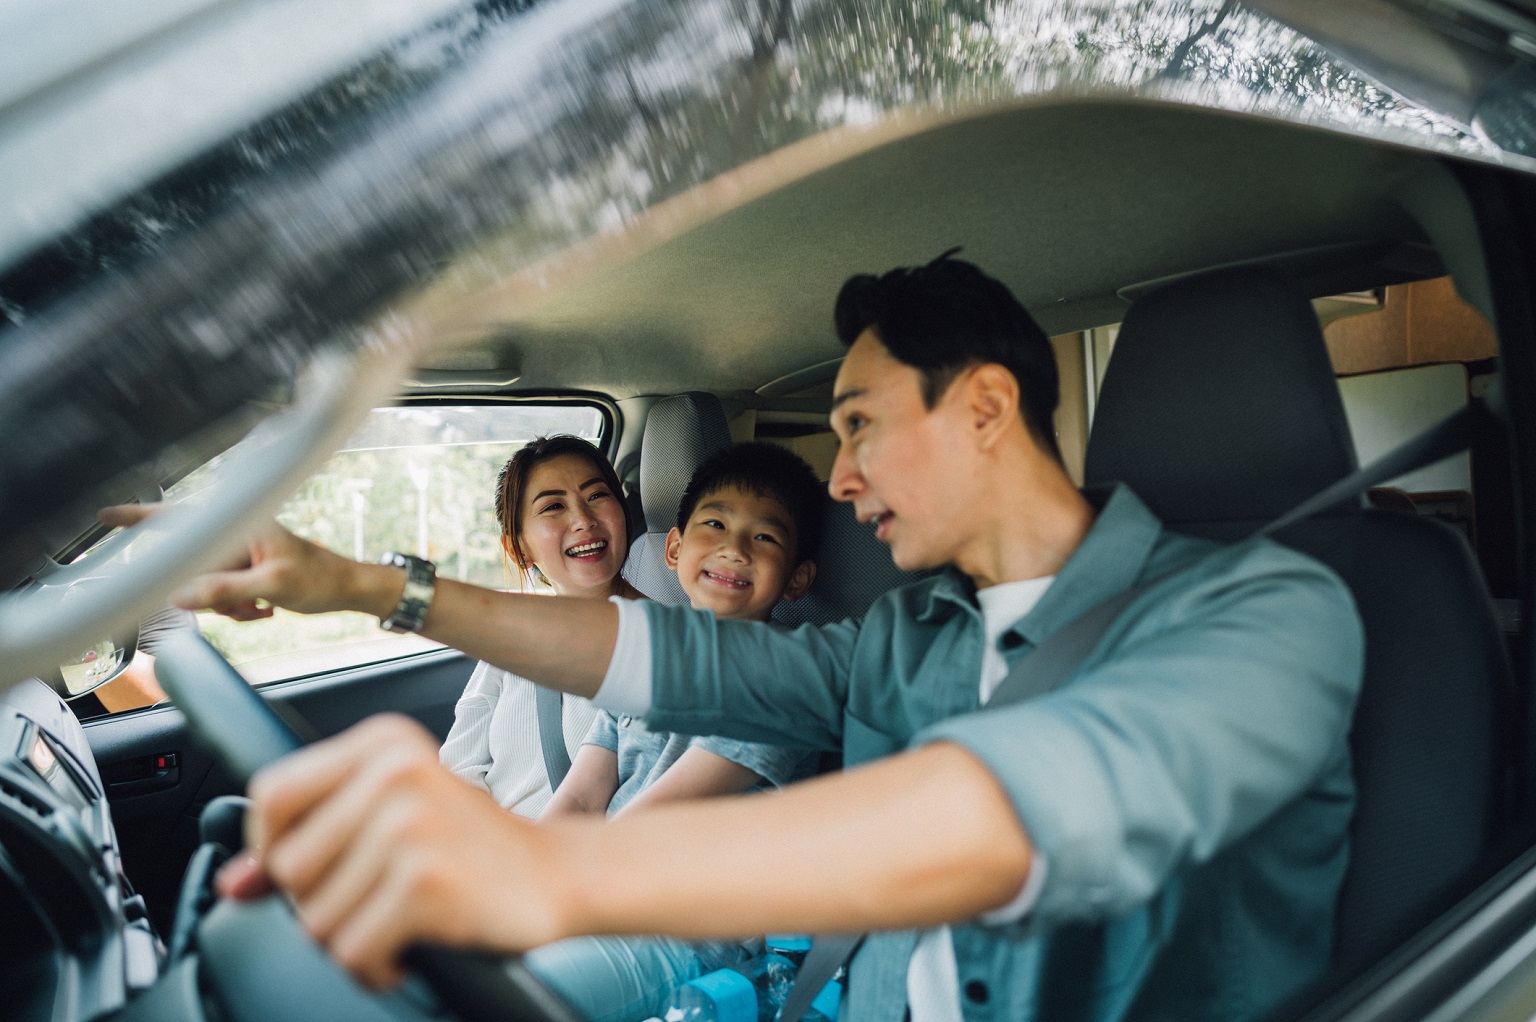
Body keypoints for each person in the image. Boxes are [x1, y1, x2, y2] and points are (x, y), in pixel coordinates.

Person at [117, 253, 1364, 1022]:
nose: (848, 478)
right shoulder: (910, 636)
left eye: (861, 426)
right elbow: (673, 659)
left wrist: (540, 874)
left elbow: (1023, 808)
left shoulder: (1268, 616)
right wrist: (350, 580)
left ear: (984, 407)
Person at [528, 441, 822, 1022]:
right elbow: (583, 795)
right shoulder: (642, 658)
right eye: (714, 524)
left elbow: (659, 817)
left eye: (765, 537)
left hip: (697, 933)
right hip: (612, 892)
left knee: (513, 991)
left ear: (797, 578)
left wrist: (560, 896)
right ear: (675, 547)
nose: (733, 549)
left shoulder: (788, 677)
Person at [439, 435, 642, 816]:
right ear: (519, 548)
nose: (583, 520)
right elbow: (457, 767)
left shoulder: (668, 645)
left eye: (597, 496)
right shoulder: (508, 639)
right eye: (553, 506)